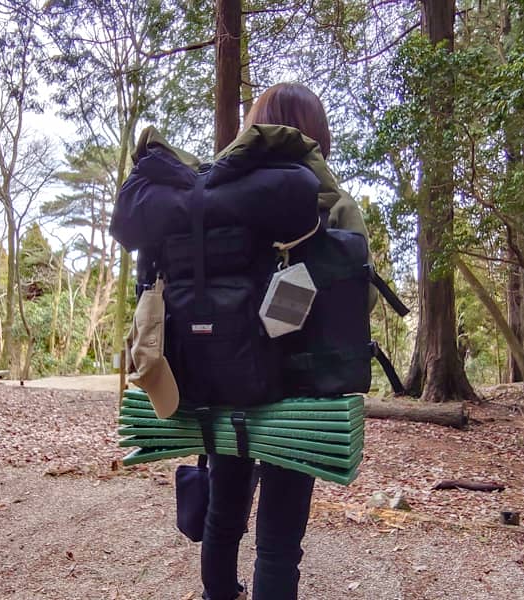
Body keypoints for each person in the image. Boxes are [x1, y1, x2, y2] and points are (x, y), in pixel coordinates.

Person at [200, 83, 369, 600]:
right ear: (316, 136)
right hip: (302, 391)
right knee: (278, 544)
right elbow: (360, 301)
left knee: (222, 517)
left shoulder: (216, 191)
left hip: (229, 378)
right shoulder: (333, 203)